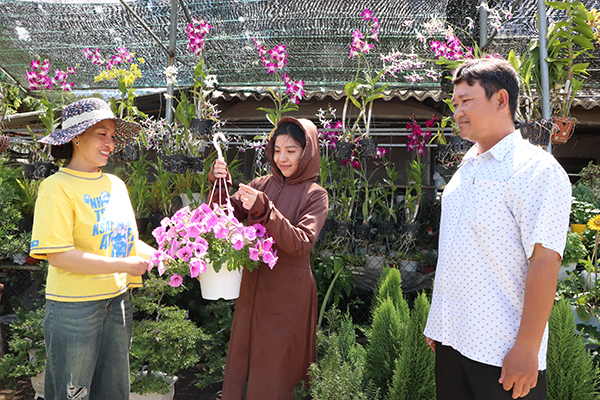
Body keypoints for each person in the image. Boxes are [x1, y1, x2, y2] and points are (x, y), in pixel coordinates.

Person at [424, 58, 571, 400]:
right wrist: (439, 320)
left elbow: (545, 260)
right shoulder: (466, 168)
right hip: (452, 342)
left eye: (467, 101)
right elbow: (455, 250)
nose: (457, 111)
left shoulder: (536, 170)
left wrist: (527, 348)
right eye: (455, 103)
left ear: (501, 100)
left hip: (502, 354)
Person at [29, 98, 155, 400]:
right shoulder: (56, 187)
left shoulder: (116, 185)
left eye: (113, 136)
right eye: (102, 134)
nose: (110, 143)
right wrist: (124, 266)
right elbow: (59, 255)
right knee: (73, 393)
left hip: (117, 302)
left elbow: (124, 242)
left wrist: (167, 255)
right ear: (76, 136)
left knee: (114, 391)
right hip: (74, 309)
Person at [210, 117, 329, 400]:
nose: (282, 157)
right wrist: (219, 183)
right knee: (244, 359)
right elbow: (224, 219)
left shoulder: (316, 196)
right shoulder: (261, 184)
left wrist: (266, 208)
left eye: (291, 150)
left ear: (307, 152)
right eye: (277, 150)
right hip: (252, 288)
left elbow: (300, 243)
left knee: (278, 369)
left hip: (288, 292)